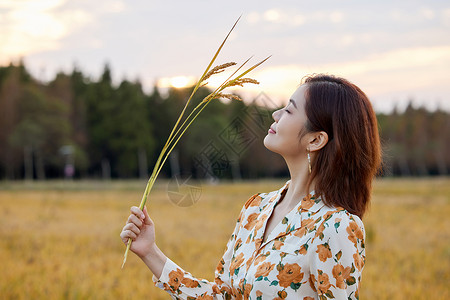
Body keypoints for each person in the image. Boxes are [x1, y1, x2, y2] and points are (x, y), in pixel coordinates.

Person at [120, 74, 381, 299]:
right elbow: (222, 296)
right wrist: (149, 252)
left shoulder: (337, 226)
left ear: (315, 139)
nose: (276, 114)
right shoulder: (256, 208)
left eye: (289, 110)